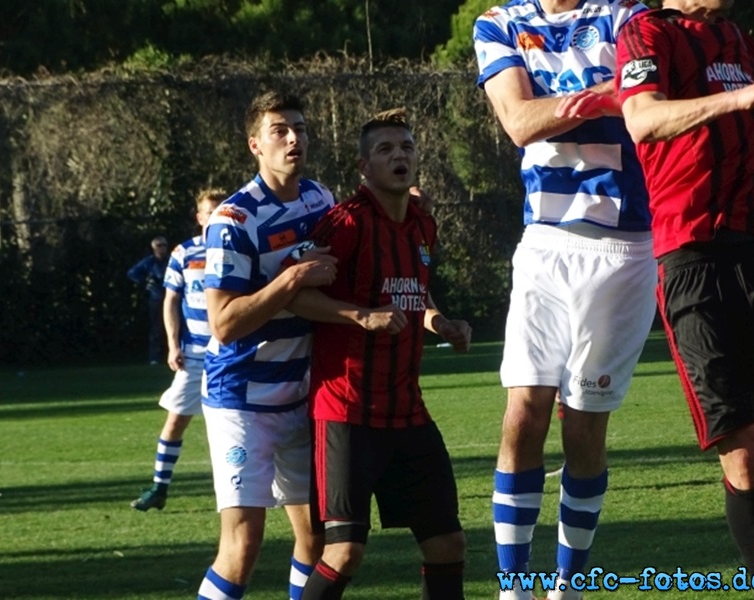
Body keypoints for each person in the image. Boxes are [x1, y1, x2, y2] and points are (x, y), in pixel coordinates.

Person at [473, 1, 658, 598]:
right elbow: (519, 123)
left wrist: (575, 103)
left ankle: (568, 584)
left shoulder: (627, 14)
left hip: (624, 247)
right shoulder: (499, 23)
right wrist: (612, 92)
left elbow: (649, 97)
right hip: (546, 241)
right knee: (523, 414)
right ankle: (514, 587)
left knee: (583, 432)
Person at [606, 1, 754, 594]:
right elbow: (643, 119)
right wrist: (735, 99)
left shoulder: (734, 37)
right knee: (744, 450)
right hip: (693, 257)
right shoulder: (646, 32)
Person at [287, 108, 471, 600]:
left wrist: (441, 323)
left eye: (407, 147)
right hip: (347, 412)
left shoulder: (422, 226)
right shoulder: (344, 225)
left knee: (448, 543)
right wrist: (361, 316)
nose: (400, 156)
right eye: (386, 149)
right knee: (344, 551)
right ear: (363, 167)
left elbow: (416, 293)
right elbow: (298, 295)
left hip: (408, 412)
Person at [197, 90, 339, 600]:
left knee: (317, 537)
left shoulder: (318, 199)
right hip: (242, 400)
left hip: (301, 395)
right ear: (255, 144)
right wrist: (292, 278)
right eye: (280, 130)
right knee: (243, 545)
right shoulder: (234, 221)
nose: (294, 138)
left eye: (299, 127)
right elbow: (224, 322)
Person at [130, 188, 226, 512]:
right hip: (195, 354)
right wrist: (173, 345)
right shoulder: (184, 253)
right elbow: (171, 300)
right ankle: (159, 487)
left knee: (238, 425)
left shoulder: (240, 248)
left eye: (220, 210)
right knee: (175, 422)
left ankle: (245, 493)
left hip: (230, 353)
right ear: (199, 218)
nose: (214, 217)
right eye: (209, 212)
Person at [127, 235, 170, 364]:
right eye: (159, 245)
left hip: (171, 297)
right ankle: (154, 358)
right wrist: (145, 281)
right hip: (156, 297)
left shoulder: (171, 260)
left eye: (164, 245)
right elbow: (131, 273)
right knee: (156, 328)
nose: (162, 248)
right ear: (154, 248)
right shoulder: (149, 262)